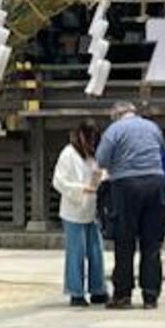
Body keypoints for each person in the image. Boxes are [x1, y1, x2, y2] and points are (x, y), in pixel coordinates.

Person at [91, 101, 165, 309]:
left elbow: (101, 159)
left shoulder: (114, 130)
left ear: (116, 115)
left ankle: (123, 294)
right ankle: (151, 295)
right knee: (152, 242)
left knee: (125, 241)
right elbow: (161, 149)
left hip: (126, 184)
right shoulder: (152, 127)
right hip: (155, 182)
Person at [52, 120, 108, 307]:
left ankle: (98, 289)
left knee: (95, 251)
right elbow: (59, 181)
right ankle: (75, 291)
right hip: (74, 209)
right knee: (76, 252)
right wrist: (81, 189)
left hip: (91, 209)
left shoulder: (93, 155)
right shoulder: (68, 154)